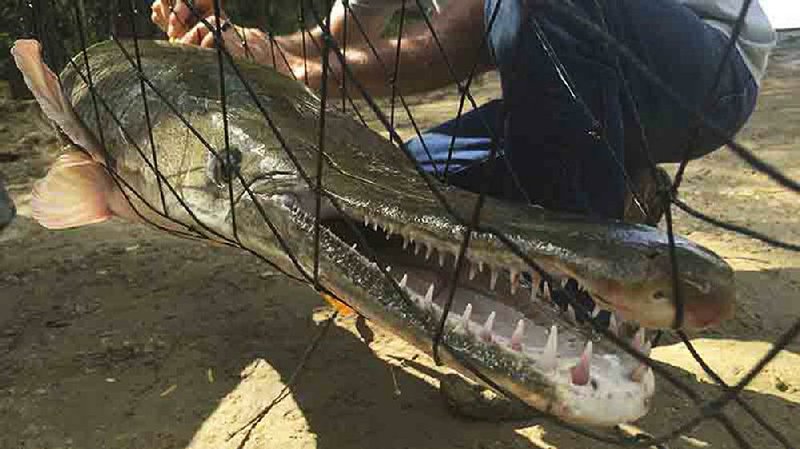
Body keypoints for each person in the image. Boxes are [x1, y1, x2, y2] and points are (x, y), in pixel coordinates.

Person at [150, 0, 776, 224]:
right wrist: (245, 43)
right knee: (396, 188)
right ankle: (621, 181)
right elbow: (338, 35)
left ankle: (588, 296)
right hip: (583, 90)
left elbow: (462, 39)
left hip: (704, 74)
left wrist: (292, 74)